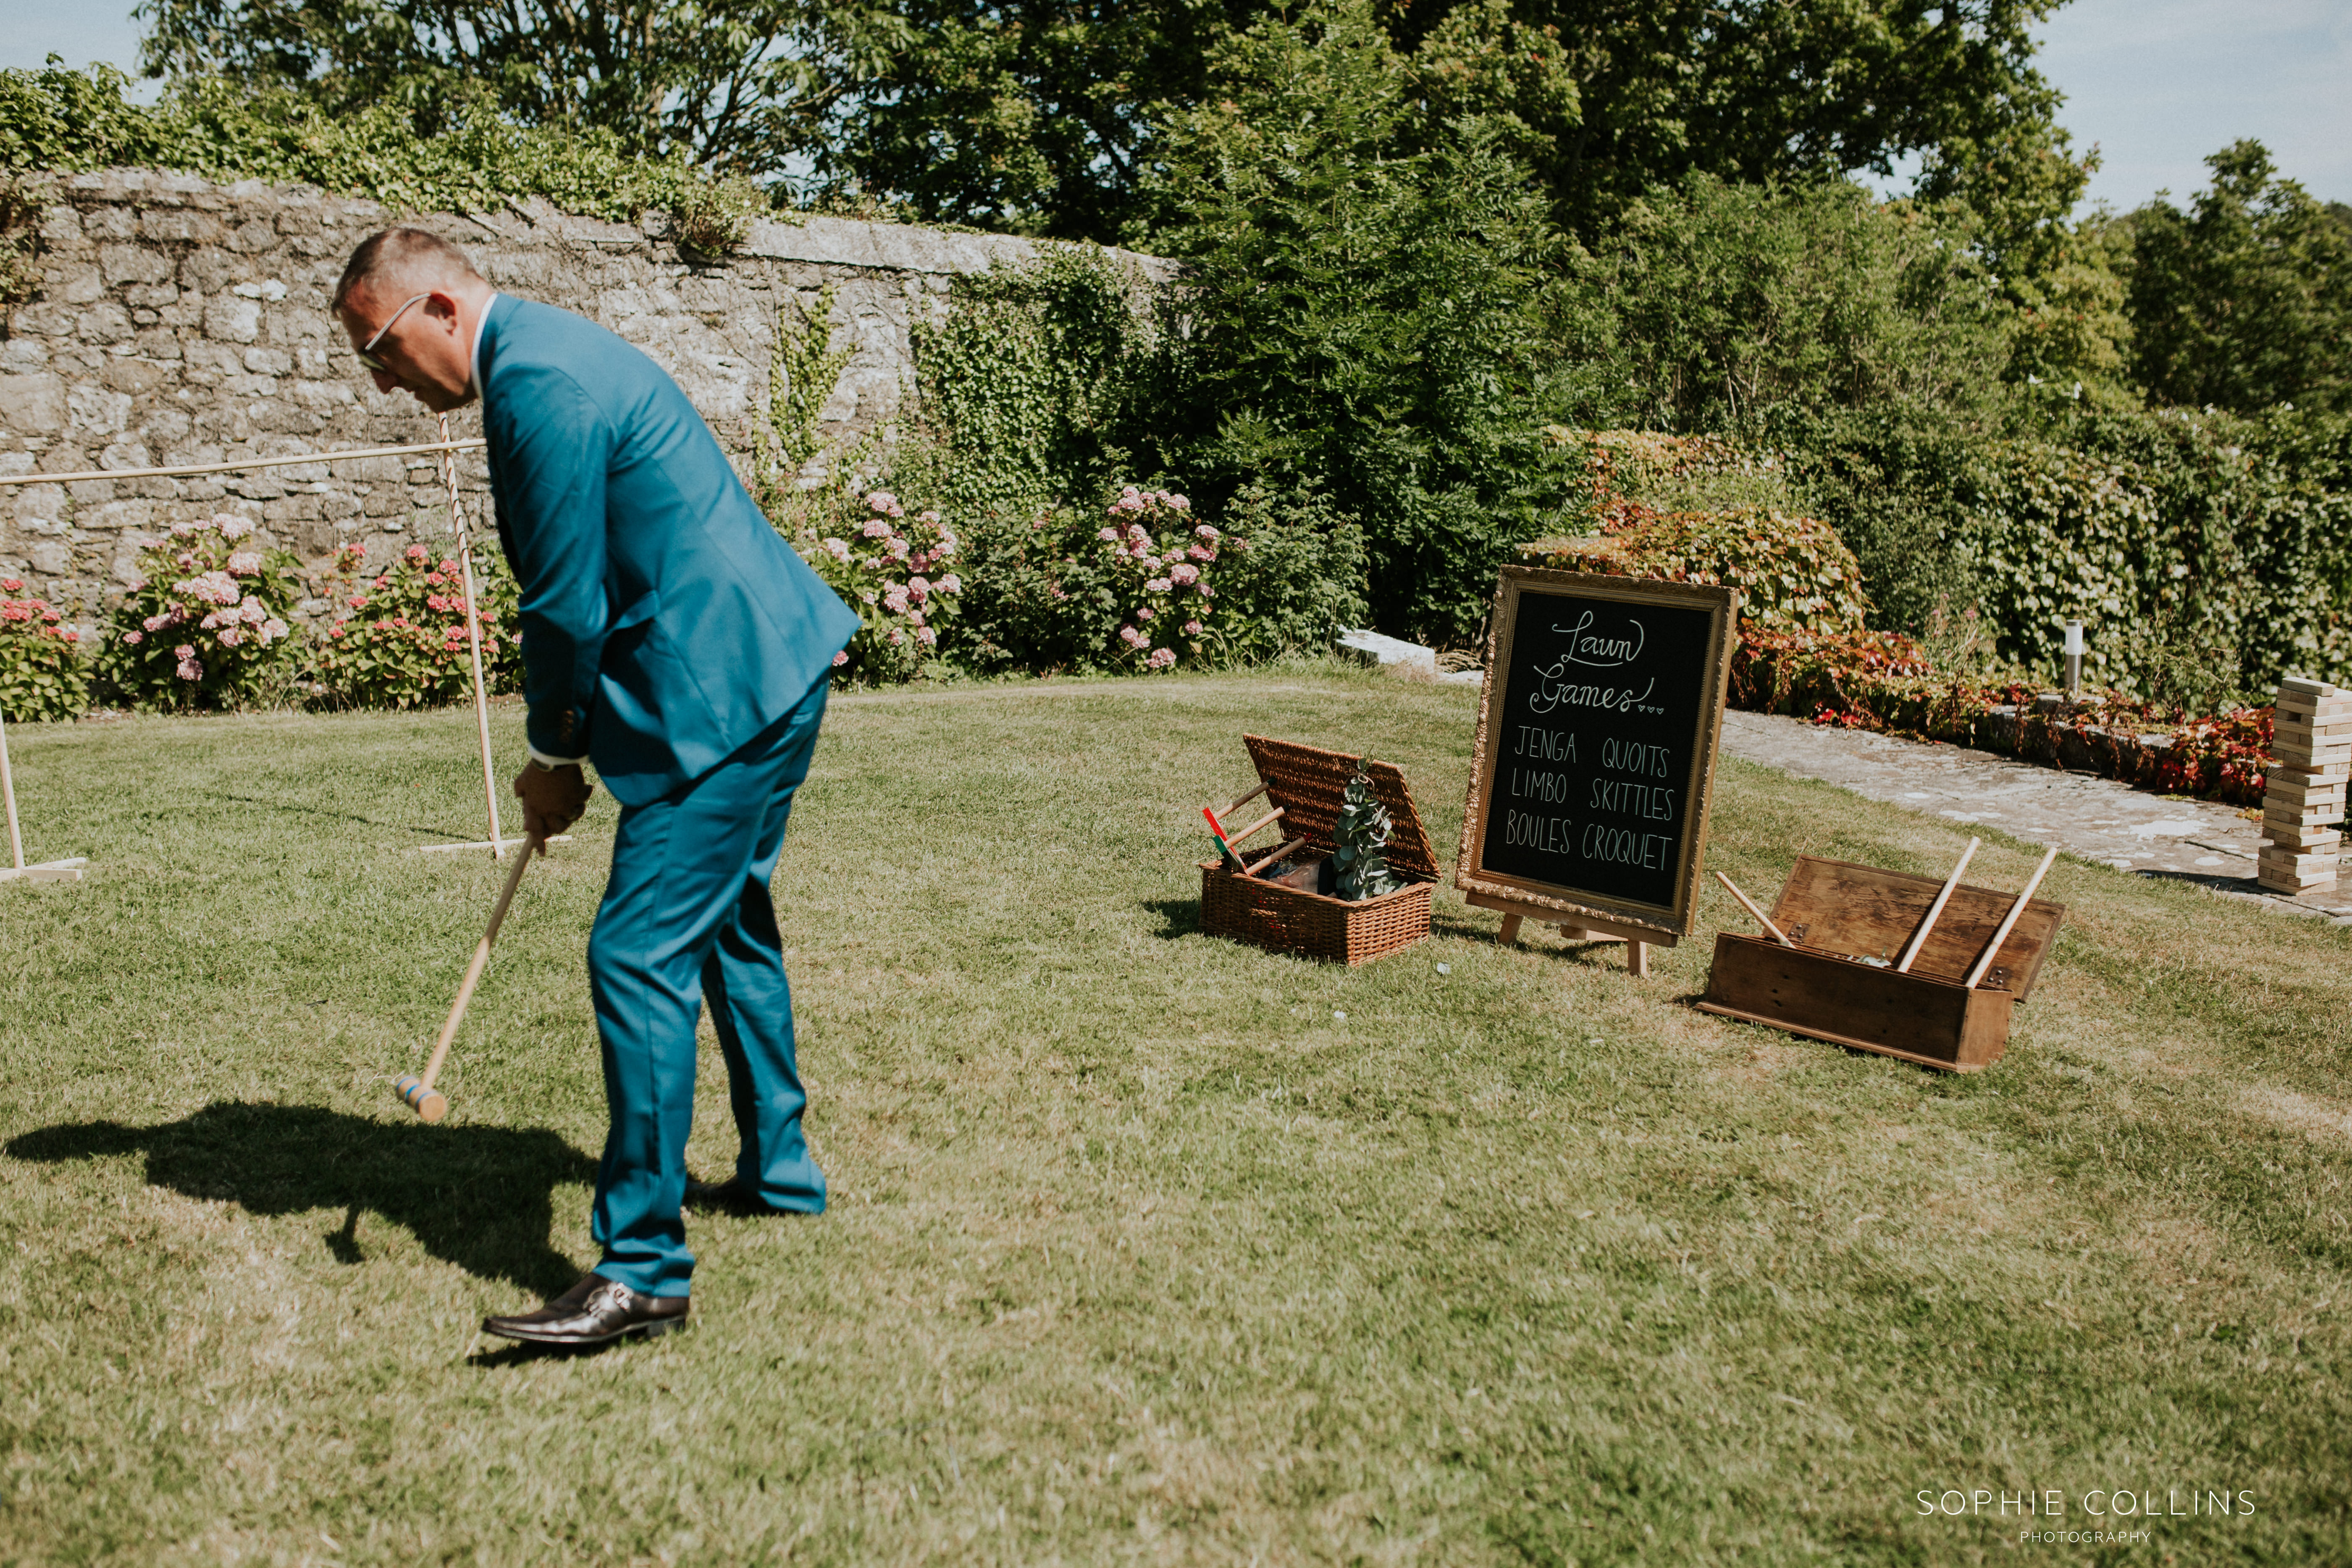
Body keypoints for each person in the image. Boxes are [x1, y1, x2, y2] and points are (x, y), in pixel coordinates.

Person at [333, 228, 859, 1346]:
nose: (380, 378)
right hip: (770, 664)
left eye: (378, 348)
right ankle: (783, 1171)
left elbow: (565, 605)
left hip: (717, 696)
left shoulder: (540, 387)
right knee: (728, 926)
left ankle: (644, 1272)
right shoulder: (543, 357)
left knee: (638, 952)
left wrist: (555, 755)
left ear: (435, 309)